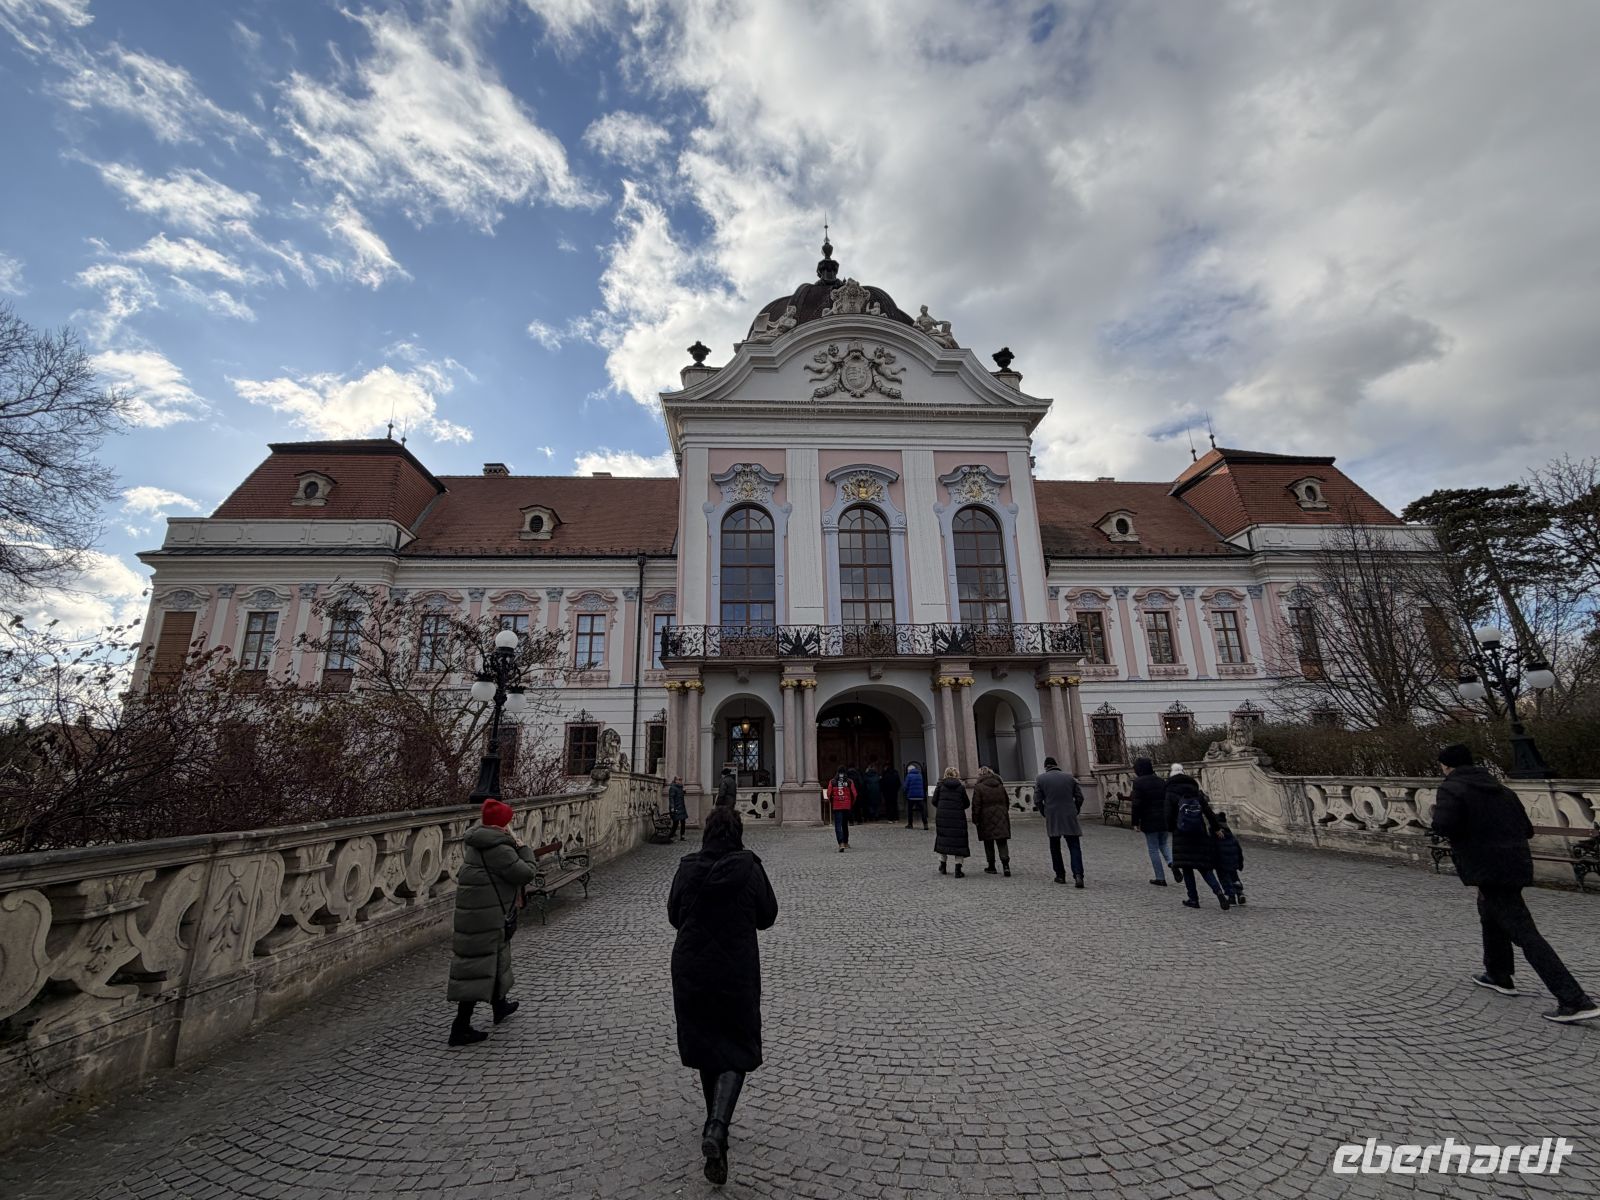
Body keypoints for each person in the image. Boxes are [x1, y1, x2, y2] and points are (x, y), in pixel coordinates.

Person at [1431, 743, 1598, 1023]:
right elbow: (1527, 829)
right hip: (1515, 864)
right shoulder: (1502, 790)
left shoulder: (1452, 789)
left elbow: (1443, 826)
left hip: (1486, 866)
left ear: (1447, 766)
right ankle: (1498, 973)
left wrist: (1437, 814)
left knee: (1525, 933)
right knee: (1489, 913)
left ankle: (1573, 999)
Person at [668, 807, 779, 1185]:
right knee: (735, 1044)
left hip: (691, 968)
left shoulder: (687, 867)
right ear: (738, 833)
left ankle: (715, 1130)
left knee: (705, 1043)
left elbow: (673, 915)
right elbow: (768, 916)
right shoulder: (749, 867)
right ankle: (717, 1125)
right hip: (735, 969)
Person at [447, 798, 538, 1046]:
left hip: (480, 913)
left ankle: (500, 1005)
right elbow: (525, 872)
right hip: (485, 917)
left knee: (495, 957)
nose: (511, 824)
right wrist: (524, 848)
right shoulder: (499, 848)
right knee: (476, 968)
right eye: (508, 820)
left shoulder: (481, 841)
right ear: (501, 825)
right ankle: (460, 1027)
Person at [1166, 763, 1230, 910]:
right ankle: (1219, 892)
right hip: (1199, 831)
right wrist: (1216, 828)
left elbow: (1168, 814)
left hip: (1181, 833)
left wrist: (1171, 828)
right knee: (1204, 867)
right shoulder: (1194, 789)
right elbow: (1208, 811)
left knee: (1187, 867)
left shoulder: (1170, 791)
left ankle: (1193, 898)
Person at [1035, 756, 1085, 886]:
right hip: (1069, 815)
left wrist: (1044, 812)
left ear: (1046, 767)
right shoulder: (1069, 777)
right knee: (1074, 846)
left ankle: (1060, 875)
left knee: (1055, 847)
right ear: (1056, 765)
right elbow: (1079, 797)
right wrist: (1076, 809)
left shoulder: (1041, 779)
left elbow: (1037, 800)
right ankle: (1078, 875)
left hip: (1053, 815)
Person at [1129, 756, 1176, 885]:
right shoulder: (1161, 781)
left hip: (1149, 819)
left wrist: (1134, 822)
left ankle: (1160, 878)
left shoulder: (1138, 782)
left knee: (1153, 848)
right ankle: (1172, 863)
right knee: (1164, 844)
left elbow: (1136, 804)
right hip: (1164, 818)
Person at [971, 765, 1013, 876]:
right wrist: (1003, 812)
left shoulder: (979, 787)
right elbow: (1006, 801)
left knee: (988, 842)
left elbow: (976, 805)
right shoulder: (1000, 785)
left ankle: (991, 866)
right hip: (1001, 815)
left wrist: (975, 818)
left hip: (985, 817)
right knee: (1002, 840)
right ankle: (1006, 866)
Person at [932, 766, 972, 876]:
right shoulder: (960, 787)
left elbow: (934, 801)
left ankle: (943, 866)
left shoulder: (940, 786)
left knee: (943, 840)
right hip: (958, 817)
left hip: (943, 817)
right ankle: (958, 869)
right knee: (959, 842)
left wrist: (941, 807)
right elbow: (966, 803)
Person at [1213, 810, 1245, 904]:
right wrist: (1240, 862)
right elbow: (1238, 849)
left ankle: (1231, 897)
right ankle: (1240, 893)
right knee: (1234, 877)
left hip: (1221, 863)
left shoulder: (1215, 834)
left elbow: (1213, 849)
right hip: (1233, 861)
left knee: (1224, 879)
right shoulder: (1230, 834)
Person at [826, 767, 856, 851]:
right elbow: (854, 794)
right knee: (845, 825)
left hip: (837, 806)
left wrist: (832, 801)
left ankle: (841, 843)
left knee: (838, 825)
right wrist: (850, 803)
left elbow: (828, 793)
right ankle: (846, 842)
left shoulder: (832, 781)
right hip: (846, 806)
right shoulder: (849, 781)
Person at [903, 762, 928, 829]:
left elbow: (905, 786)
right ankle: (925, 824)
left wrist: (905, 791)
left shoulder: (908, 776)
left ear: (909, 770)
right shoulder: (920, 775)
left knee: (910, 811)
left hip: (911, 796)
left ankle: (910, 824)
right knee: (923, 810)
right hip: (920, 796)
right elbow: (923, 784)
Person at [666, 775, 688, 841]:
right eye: (679, 779)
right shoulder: (672, 788)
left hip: (681, 807)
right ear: (675, 781)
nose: (681, 781)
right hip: (676, 808)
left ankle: (682, 836)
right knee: (676, 823)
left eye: (681, 779)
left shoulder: (680, 787)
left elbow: (680, 795)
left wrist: (684, 791)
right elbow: (671, 798)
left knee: (683, 822)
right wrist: (672, 807)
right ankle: (670, 836)